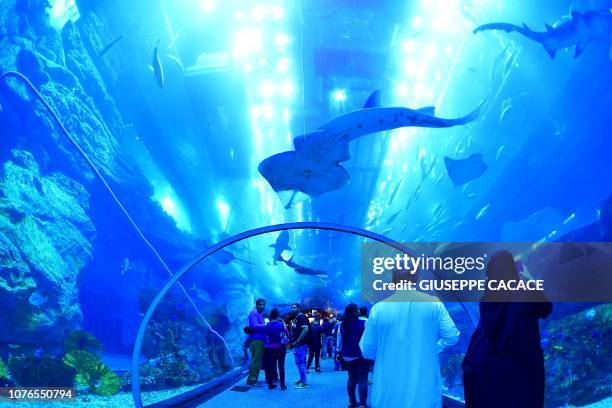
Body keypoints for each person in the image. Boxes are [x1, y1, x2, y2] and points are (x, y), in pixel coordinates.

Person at [462, 250, 552, 408]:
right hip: (524, 366)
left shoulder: (486, 298)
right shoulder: (524, 291)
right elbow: (545, 308)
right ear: (512, 269)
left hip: (496, 369)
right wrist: (528, 276)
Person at [359, 268, 460, 408]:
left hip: (388, 395)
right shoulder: (434, 303)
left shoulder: (378, 309)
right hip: (425, 396)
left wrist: (388, 353)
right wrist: (435, 347)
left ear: (393, 282)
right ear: (416, 280)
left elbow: (366, 349)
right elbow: (452, 336)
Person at [337, 303, 368, 408]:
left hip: (347, 355)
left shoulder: (342, 324)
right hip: (361, 354)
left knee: (351, 378)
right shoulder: (363, 323)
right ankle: (363, 403)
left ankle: (352, 401)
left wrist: (338, 351)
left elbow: (340, 339)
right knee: (363, 379)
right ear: (356, 311)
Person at [264, 308, 288, 390]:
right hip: (280, 347)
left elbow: (266, 335)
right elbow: (287, 333)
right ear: (278, 315)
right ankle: (282, 385)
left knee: (271, 365)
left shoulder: (267, 325)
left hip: (270, 348)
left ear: (270, 315)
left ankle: (270, 384)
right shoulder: (281, 324)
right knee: (281, 366)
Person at [245, 298, 266, 386]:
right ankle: (252, 380)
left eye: (263, 305)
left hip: (260, 340)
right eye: (260, 304)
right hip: (256, 340)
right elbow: (254, 326)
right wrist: (267, 326)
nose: (262, 306)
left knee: (258, 361)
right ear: (256, 305)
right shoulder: (254, 312)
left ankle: (254, 379)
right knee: (256, 361)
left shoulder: (260, 314)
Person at [289, 303, 310, 388]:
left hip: (300, 344)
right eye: (292, 308)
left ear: (299, 308)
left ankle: (304, 382)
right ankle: (302, 379)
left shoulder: (301, 317)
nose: (292, 309)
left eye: (294, 308)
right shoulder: (297, 318)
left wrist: (297, 341)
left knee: (300, 362)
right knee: (302, 362)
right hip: (302, 344)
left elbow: (305, 329)